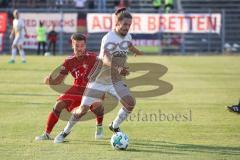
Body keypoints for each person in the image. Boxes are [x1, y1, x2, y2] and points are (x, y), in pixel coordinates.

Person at [54, 7, 143, 143]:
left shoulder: (128, 36)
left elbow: (128, 44)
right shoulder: (108, 38)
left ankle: (114, 126)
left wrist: (136, 51)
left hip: (115, 80)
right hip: (99, 80)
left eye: (129, 25)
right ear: (117, 23)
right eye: (125, 24)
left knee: (130, 103)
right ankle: (65, 132)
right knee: (82, 110)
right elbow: (106, 58)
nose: (127, 27)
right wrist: (118, 67)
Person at [35, 33, 105, 141]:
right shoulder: (69, 61)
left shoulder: (93, 57)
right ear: (73, 45)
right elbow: (59, 80)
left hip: (91, 89)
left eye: (82, 46)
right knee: (58, 105)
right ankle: (46, 134)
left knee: (98, 106)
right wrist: (50, 81)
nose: (79, 48)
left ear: (85, 46)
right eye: (77, 46)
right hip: (76, 89)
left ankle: (99, 126)